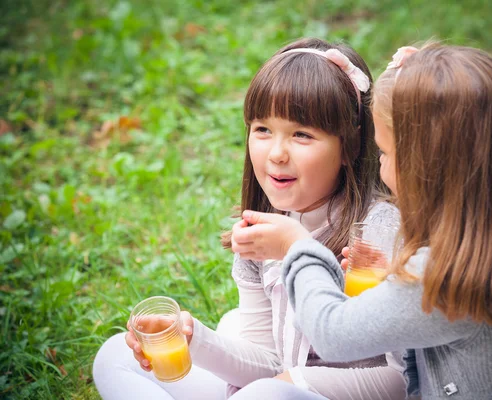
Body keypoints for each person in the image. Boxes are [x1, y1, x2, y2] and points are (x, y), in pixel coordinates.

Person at [232, 43, 492, 399]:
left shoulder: (449, 273)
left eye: (385, 152)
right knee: (234, 325)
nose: (378, 166)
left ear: (434, 167)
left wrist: (298, 245)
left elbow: (332, 335)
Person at [93, 37, 407, 399]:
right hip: (274, 388)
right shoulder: (261, 233)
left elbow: (402, 378)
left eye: (301, 134)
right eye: (262, 130)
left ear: (349, 146)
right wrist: (193, 337)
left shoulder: (381, 234)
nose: (276, 153)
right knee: (115, 355)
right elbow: (269, 361)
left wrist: (292, 384)